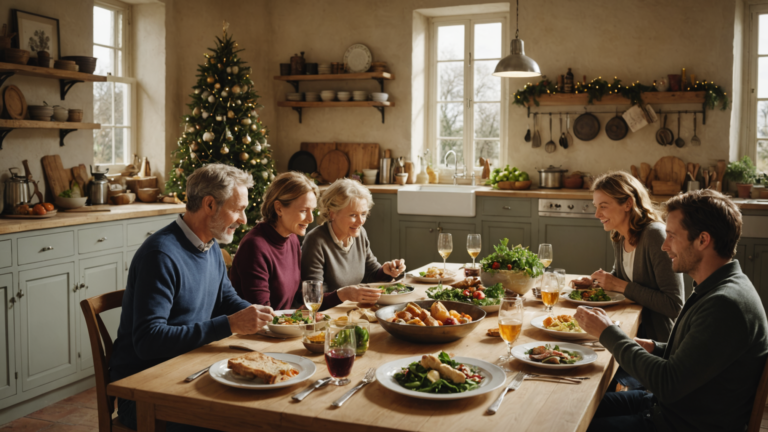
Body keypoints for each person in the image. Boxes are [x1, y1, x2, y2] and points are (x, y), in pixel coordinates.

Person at [576, 190, 768, 432]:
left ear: (703, 240)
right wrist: (656, 347)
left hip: (677, 423)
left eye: (672, 236)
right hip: (663, 407)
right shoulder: (719, 285)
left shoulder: (726, 304)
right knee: (573, 408)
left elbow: (667, 382)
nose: (664, 246)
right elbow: (700, 355)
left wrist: (608, 333)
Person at [110, 164, 276, 431]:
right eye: (238, 209)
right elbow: (148, 341)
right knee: (246, 421)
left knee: (266, 407)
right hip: (143, 394)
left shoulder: (209, 244)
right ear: (210, 204)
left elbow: (226, 299)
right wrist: (230, 325)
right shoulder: (161, 255)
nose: (244, 219)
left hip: (188, 369)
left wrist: (268, 320)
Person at [588, 171, 684, 343]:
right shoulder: (619, 236)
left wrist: (618, 284)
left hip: (655, 343)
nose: (597, 214)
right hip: (628, 330)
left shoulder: (655, 236)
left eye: (603, 206)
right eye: (596, 206)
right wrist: (597, 282)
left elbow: (674, 305)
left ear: (628, 204)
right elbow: (622, 277)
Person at [301, 178, 406, 309]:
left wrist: (386, 271)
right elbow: (312, 298)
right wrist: (343, 295)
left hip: (352, 310)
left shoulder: (359, 233)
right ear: (332, 213)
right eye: (353, 215)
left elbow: (371, 274)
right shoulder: (315, 241)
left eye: (363, 214)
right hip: (327, 316)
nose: (360, 221)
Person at [230, 172, 319, 310]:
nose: (310, 218)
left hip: (282, 327)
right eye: (303, 210)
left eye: (312, 210)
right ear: (279, 208)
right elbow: (262, 314)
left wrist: (342, 295)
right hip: (259, 330)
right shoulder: (255, 246)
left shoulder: (292, 239)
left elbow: (300, 298)